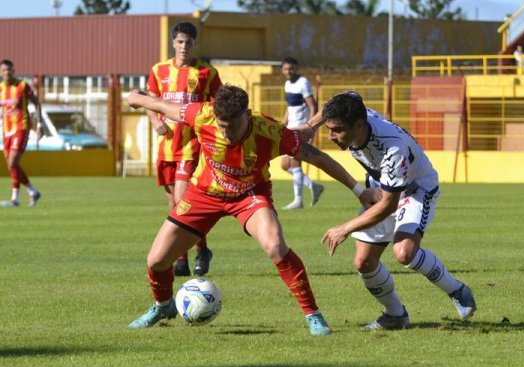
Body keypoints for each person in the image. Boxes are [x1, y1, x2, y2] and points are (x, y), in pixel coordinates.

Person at [126, 84, 374, 336]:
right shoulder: (202, 114)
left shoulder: (270, 131)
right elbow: (163, 106)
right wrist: (136, 98)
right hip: (203, 194)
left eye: (232, 126)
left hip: (249, 195)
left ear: (247, 114)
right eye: (222, 127)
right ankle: (164, 306)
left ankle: (313, 314)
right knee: (156, 260)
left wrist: (359, 191)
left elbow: (318, 158)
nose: (226, 133)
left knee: (276, 246)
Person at [311, 92, 477, 330]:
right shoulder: (357, 112)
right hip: (384, 186)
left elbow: (388, 205)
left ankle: (458, 290)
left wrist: (345, 228)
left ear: (359, 125)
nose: (331, 136)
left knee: (404, 252)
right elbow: (346, 95)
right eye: (329, 128)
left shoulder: (393, 150)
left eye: (337, 130)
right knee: (364, 262)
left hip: (416, 189)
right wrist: (310, 126)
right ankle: (396, 315)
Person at [146, 21, 222, 277]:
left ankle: (194, 253)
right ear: (173, 43)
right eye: (179, 41)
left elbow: (219, 105)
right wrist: (155, 120)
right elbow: (150, 101)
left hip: (192, 146)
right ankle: (188, 256)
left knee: (182, 200)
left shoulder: (206, 73)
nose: (184, 46)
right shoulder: (159, 70)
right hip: (166, 147)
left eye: (188, 42)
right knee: (173, 205)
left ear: (194, 44)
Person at [279, 56, 324, 210]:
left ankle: (298, 200)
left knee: (295, 162)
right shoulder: (287, 84)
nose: (288, 71)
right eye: (285, 69)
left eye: (291, 68)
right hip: (290, 127)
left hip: (301, 127)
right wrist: (284, 122)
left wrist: (310, 127)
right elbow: (290, 106)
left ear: (296, 68)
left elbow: (313, 106)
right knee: (285, 165)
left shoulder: (303, 83)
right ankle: (313, 186)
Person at [0, 59, 42, 207]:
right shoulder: (0, 89)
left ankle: (19, 197)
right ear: (0, 72)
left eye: (9, 69)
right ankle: (29, 193)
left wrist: (39, 124)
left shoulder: (22, 86)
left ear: (14, 70)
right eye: (4, 70)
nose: (7, 72)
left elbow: (36, 103)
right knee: (12, 165)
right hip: (6, 130)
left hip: (21, 127)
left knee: (12, 162)